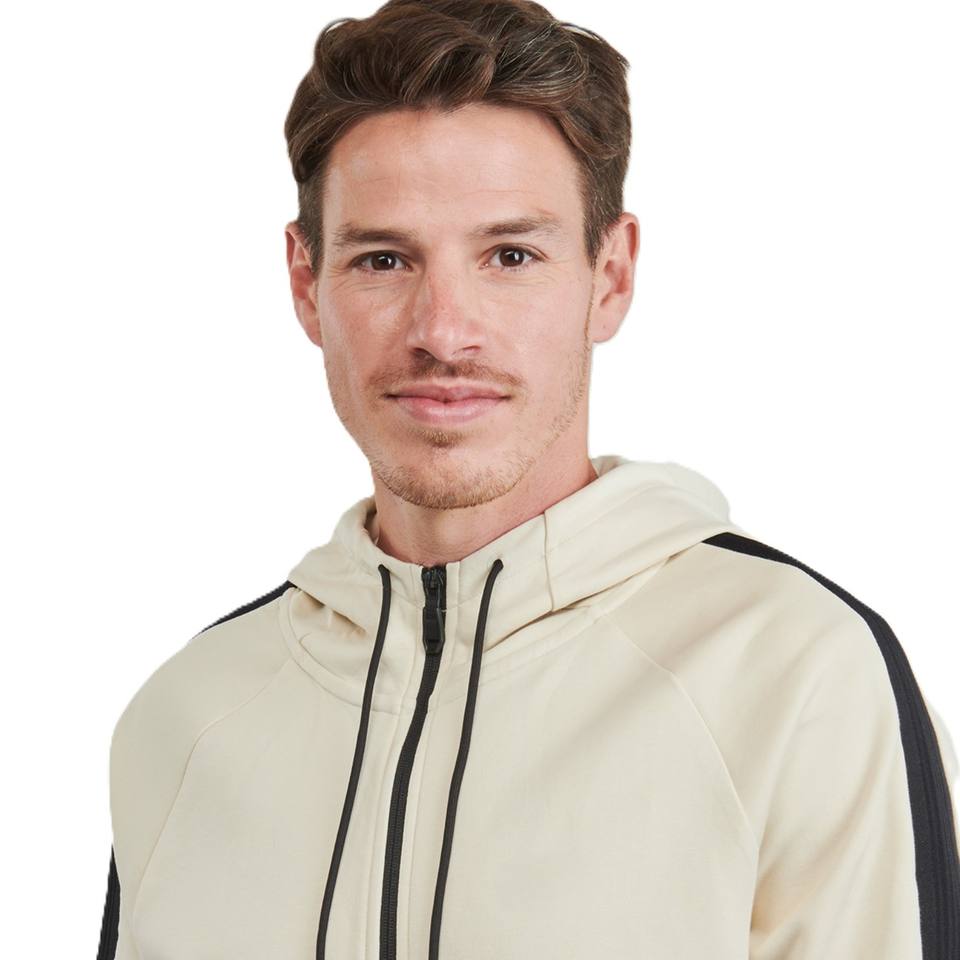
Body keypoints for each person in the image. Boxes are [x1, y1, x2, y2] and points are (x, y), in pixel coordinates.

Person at [96, 1, 960, 957]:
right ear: (307, 284)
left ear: (610, 277)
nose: (443, 330)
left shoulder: (795, 673)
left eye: (511, 256)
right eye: (383, 259)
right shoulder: (187, 720)